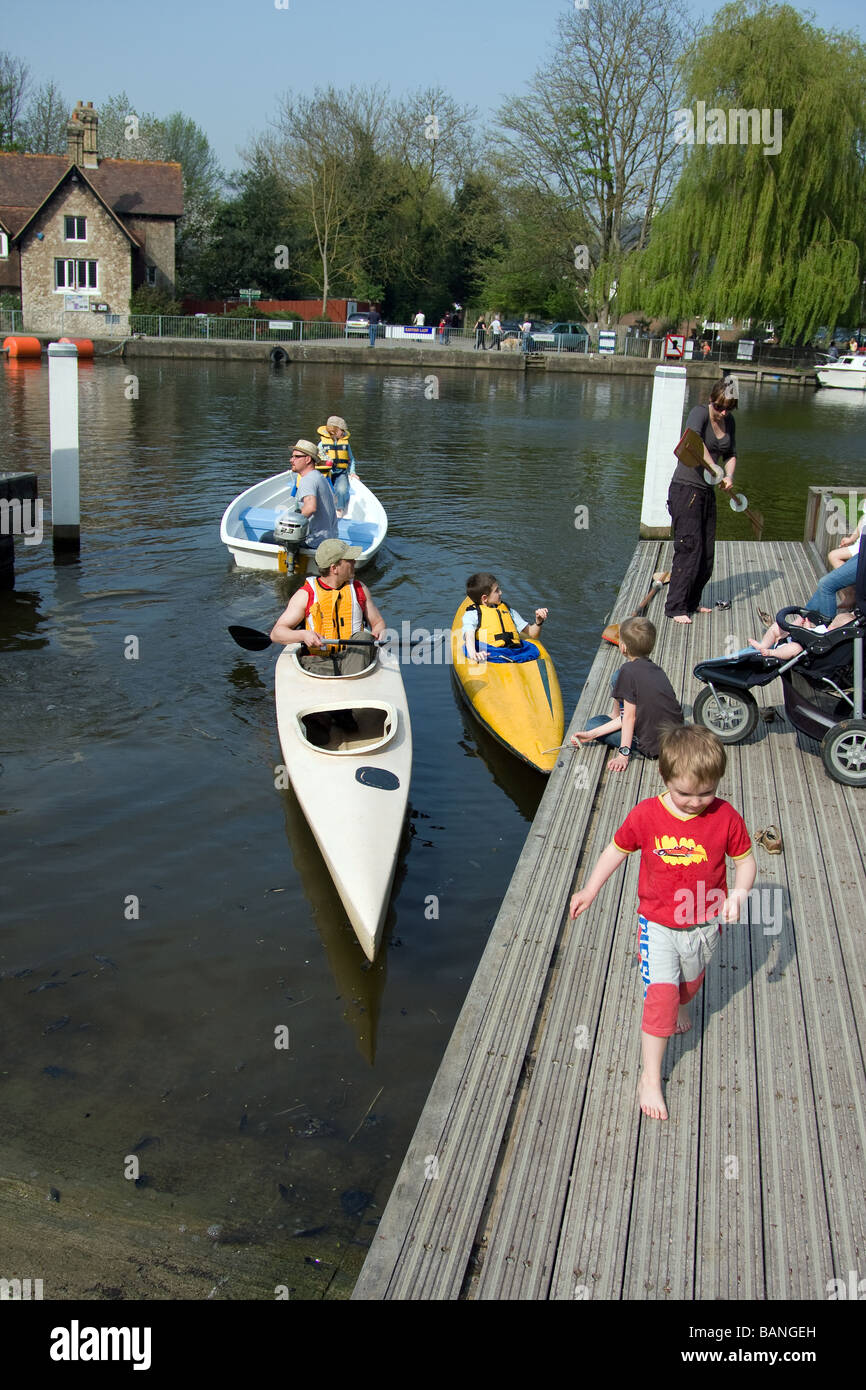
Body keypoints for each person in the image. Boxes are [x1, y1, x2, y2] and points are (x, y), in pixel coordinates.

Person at [569, 724, 755, 1121]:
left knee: (690, 984)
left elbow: (745, 860)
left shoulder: (726, 817)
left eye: (706, 793)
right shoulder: (646, 815)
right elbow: (615, 851)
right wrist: (589, 890)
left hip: (703, 924)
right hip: (657, 924)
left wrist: (739, 893)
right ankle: (650, 1076)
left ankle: (683, 1003)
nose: (694, 802)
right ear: (665, 779)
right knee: (661, 999)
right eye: (684, 793)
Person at [269, 540, 387, 744]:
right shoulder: (305, 594)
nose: (354, 563)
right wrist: (303, 635)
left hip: (353, 662)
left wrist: (379, 632)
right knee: (324, 732)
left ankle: (340, 708)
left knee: (364, 637)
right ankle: (332, 712)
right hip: (319, 662)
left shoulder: (359, 589)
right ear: (334, 568)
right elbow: (277, 633)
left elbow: (377, 622)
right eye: (349, 560)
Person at [665, 378, 738, 625]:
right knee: (689, 548)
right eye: (719, 407)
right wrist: (713, 467)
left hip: (707, 492)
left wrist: (728, 475)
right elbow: (693, 441)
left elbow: (731, 454)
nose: (723, 412)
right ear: (712, 400)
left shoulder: (729, 421)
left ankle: (692, 602)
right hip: (686, 489)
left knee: (706, 552)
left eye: (728, 408)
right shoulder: (699, 413)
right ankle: (675, 607)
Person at [569, 617, 684, 772]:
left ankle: (623, 735)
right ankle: (613, 717)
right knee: (617, 677)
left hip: (654, 745)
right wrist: (591, 735)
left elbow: (629, 717)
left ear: (622, 647)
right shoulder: (656, 669)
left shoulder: (627, 672)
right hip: (675, 734)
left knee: (594, 723)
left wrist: (623, 754)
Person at [749, 586, 856, 659]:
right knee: (777, 626)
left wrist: (806, 629)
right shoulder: (825, 628)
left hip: (793, 646)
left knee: (795, 649)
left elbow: (812, 638)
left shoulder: (827, 639)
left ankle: (772, 653)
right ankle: (762, 645)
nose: (830, 624)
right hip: (790, 637)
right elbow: (812, 631)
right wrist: (807, 626)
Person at [462, 572, 548, 663]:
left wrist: (539, 622)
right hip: (492, 652)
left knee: (533, 649)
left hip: (514, 651)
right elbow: (469, 635)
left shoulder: (508, 611)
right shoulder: (473, 614)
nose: (500, 592)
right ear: (484, 598)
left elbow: (532, 633)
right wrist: (473, 653)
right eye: (496, 590)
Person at [288, 439, 338, 550]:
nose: (291, 460)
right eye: (292, 456)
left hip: (314, 543)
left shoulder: (308, 479)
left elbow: (310, 508)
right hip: (330, 539)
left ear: (307, 459)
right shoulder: (319, 477)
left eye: (296, 457)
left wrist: (290, 525)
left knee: (266, 538)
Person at [316, 414, 356, 517]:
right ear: (333, 430)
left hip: (341, 473)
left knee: (342, 490)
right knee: (322, 491)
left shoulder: (345, 444)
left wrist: (352, 472)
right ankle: (322, 509)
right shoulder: (322, 444)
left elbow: (351, 459)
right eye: (341, 430)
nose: (343, 433)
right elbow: (317, 459)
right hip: (326, 473)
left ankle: (339, 510)